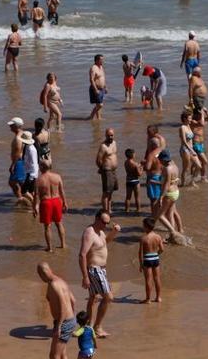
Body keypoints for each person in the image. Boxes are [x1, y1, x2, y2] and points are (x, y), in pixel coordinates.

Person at [79, 209, 121, 338]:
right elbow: (82, 255)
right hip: (94, 269)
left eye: (107, 223)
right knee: (108, 297)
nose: (105, 225)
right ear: (96, 219)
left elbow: (104, 243)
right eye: (103, 222)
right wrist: (85, 276)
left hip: (101, 269)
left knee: (93, 297)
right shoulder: (89, 233)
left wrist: (114, 232)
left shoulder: (100, 231)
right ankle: (97, 327)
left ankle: (88, 327)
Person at [37, 262, 77, 359]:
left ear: (42, 274)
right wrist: (73, 317)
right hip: (68, 321)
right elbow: (73, 300)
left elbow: (62, 306)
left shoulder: (54, 285)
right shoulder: (60, 281)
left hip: (63, 323)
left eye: (40, 275)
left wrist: (59, 326)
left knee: (54, 355)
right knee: (62, 354)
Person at [33, 160, 68, 252]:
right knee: (59, 223)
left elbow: (36, 195)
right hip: (57, 201)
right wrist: (65, 202)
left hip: (46, 202)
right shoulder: (57, 177)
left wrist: (34, 207)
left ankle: (50, 248)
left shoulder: (39, 180)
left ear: (42, 167)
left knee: (47, 226)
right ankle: (63, 244)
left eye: (40, 166)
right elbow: (62, 191)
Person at [139, 217, 165, 303]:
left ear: (146, 227)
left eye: (143, 225)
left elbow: (140, 253)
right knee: (157, 278)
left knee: (148, 279)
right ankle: (158, 298)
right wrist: (156, 254)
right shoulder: (158, 237)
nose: (143, 227)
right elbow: (162, 249)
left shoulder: (143, 238)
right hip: (155, 258)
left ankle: (148, 299)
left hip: (147, 259)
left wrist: (141, 264)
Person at [96, 128, 119, 213]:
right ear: (105, 135)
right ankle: (105, 211)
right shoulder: (103, 146)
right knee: (106, 192)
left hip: (114, 170)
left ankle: (109, 208)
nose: (110, 137)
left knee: (111, 191)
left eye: (112, 135)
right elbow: (98, 160)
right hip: (107, 171)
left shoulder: (114, 143)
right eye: (108, 135)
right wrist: (102, 169)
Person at [178, 110, 202, 186]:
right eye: (189, 118)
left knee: (199, 166)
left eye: (191, 118)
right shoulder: (182, 128)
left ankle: (192, 181)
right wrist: (191, 150)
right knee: (186, 169)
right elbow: (184, 141)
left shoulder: (189, 125)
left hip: (191, 149)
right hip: (185, 150)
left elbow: (201, 124)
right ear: (185, 118)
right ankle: (182, 185)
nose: (191, 119)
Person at [88, 54, 106, 120]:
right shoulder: (93, 68)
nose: (103, 61)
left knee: (98, 105)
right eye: (101, 60)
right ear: (97, 60)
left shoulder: (101, 67)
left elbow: (103, 77)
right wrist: (95, 89)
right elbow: (91, 79)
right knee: (100, 105)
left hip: (102, 89)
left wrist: (105, 87)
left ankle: (99, 118)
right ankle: (91, 116)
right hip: (96, 89)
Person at [124, 149, 143, 213]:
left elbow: (132, 169)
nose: (135, 154)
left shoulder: (126, 162)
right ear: (132, 155)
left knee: (128, 197)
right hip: (135, 181)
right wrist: (142, 167)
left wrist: (139, 165)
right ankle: (138, 209)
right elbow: (139, 174)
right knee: (137, 197)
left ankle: (127, 210)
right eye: (134, 153)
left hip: (128, 180)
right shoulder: (135, 164)